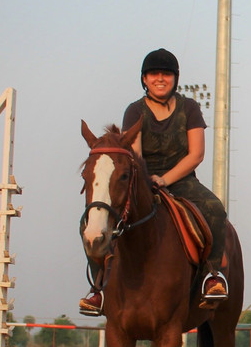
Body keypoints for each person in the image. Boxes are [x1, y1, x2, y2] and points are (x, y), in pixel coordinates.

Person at [79, 48, 228, 316]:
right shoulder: (134, 110)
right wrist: (148, 179)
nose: (160, 78)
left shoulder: (190, 108)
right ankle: (99, 289)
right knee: (99, 218)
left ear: (175, 78)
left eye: (166, 74)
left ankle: (212, 275)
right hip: (141, 180)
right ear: (144, 79)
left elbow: (196, 154)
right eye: (154, 74)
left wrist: (165, 179)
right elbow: (134, 155)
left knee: (215, 208)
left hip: (181, 179)